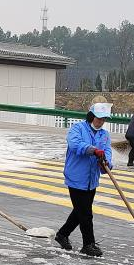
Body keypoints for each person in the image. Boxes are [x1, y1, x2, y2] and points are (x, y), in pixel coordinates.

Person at [56, 101, 113, 257]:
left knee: (80, 211)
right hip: (76, 177)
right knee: (86, 213)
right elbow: (75, 145)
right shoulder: (78, 129)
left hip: (91, 180)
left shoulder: (104, 135)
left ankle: (62, 234)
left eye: (103, 119)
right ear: (91, 116)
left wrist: (106, 163)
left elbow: (107, 151)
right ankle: (88, 244)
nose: (101, 121)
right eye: (98, 118)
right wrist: (93, 150)